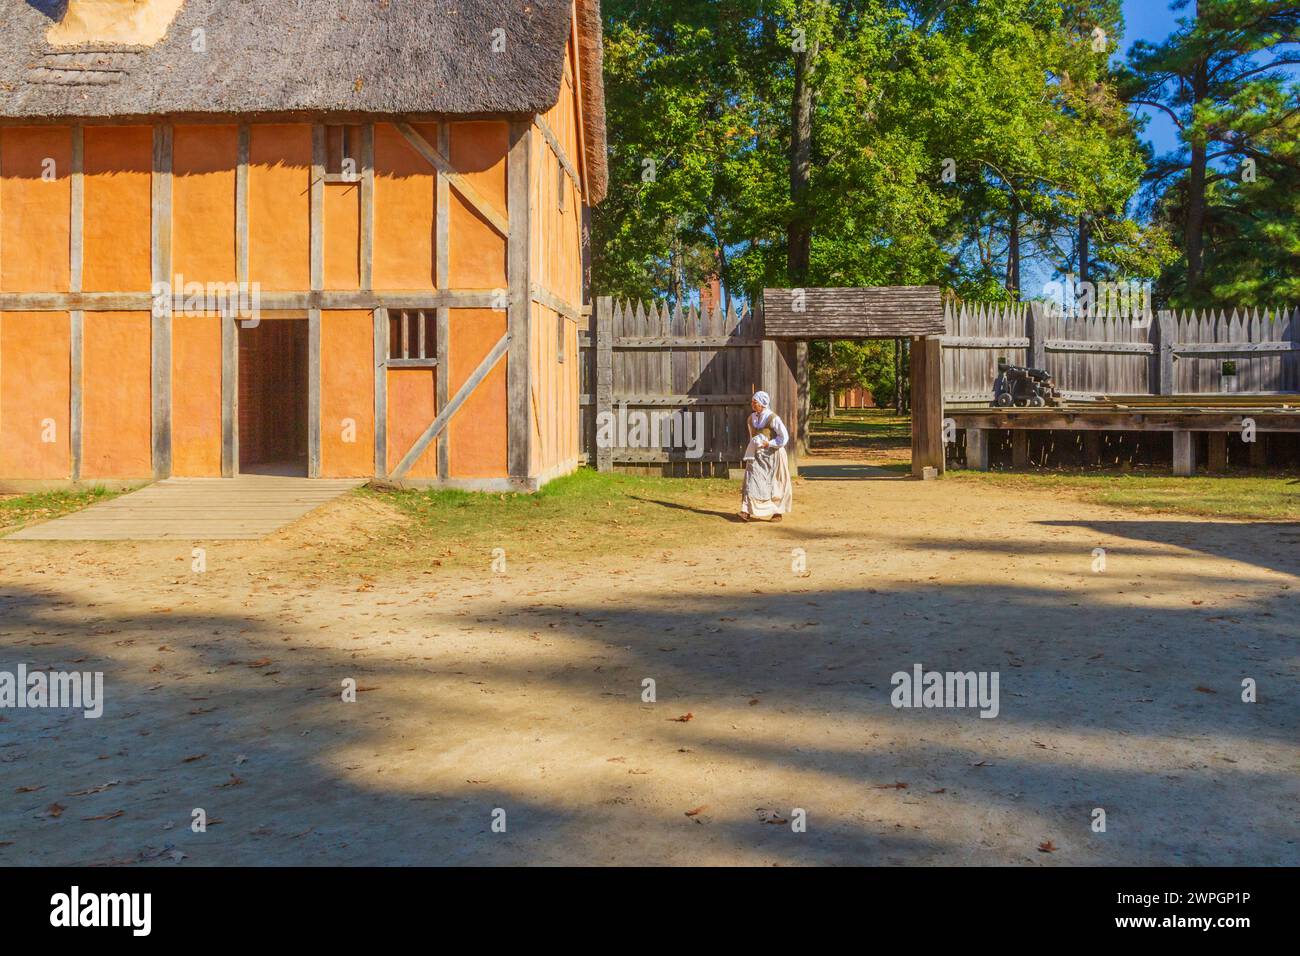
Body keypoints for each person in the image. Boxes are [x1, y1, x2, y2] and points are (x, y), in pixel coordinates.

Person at [740, 391, 792, 522]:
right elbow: (752, 436)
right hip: (757, 455)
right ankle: (746, 511)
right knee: (751, 480)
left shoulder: (772, 418)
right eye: (752, 401)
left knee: (775, 484)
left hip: (774, 455)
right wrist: (754, 447)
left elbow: (784, 437)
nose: (752, 404)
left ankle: (777, 512)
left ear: (762, 403)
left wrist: (769, 443)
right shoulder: (751, 418)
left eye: (755, 402)